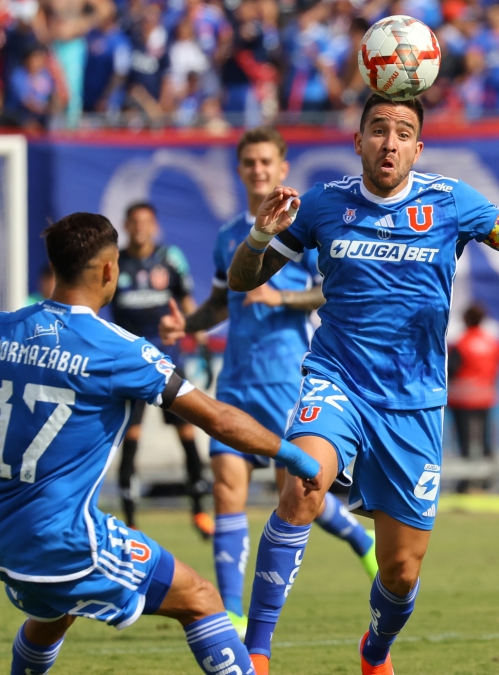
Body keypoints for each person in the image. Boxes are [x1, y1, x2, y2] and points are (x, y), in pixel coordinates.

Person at [225, 94, 499, 674]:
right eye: (377, 130)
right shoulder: (323, 205)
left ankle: (375, 652)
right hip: (337, 380)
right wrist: (257, 237)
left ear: (418, 148)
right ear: (358, 141)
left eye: (402, 133)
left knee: (401, 572)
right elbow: (245, 279)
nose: (389, 142)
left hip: (413, 403)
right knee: (302, 484)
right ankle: (255, 654)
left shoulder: (452, 202)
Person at [0, 212, 324, 675]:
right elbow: (218, 420)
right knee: (202, 600)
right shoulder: (118, 350)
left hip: (3, 539)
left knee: (52, 613)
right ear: (110, 271)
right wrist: (293, 454)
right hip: (66, 539)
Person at [159, 125, 379, 639]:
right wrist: (185, 325)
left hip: (290, 380)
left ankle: (360, 541)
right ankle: (231, 612)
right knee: (226, 488)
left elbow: (336, 290)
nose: (258, 170)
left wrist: (282, 299)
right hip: (235, 382)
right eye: (249, 163)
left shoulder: (307, 225)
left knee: (302, 495)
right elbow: (220, 302)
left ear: (283, 168)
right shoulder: (227, 235)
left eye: (266, 162)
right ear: (240, 170)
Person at [111, 202, 211, 534]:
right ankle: (131, 519)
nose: (140, 227)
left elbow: (186, 302)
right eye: (134, 221)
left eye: (146, 222)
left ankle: (199, 509)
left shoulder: (170, 258)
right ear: (126, 225)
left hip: (168, 361)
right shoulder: (115, 262)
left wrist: (202, 343)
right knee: (132, 436)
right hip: (130, 363)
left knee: (186, 432)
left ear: (154, 225)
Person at [448, 303, 499, 493]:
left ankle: (465, 482)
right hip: (485, 396)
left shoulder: (462, 342)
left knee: (465, 442)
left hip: (462, 398)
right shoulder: (491, 342)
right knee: (484, 439)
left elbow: (452, 369)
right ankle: (487, 481)